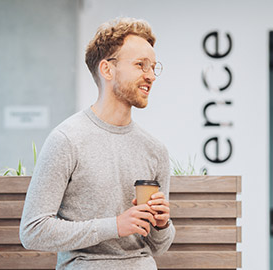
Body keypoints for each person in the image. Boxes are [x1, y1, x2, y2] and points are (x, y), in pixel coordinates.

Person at [20, 17, 175, 270]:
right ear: (107, 70)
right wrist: (114, 226)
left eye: (153, 67)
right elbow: (33, 231)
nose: (151, 76)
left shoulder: (155, 150)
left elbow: (159, 246)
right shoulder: (67, 140)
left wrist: (162, 224)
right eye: (140, 65)